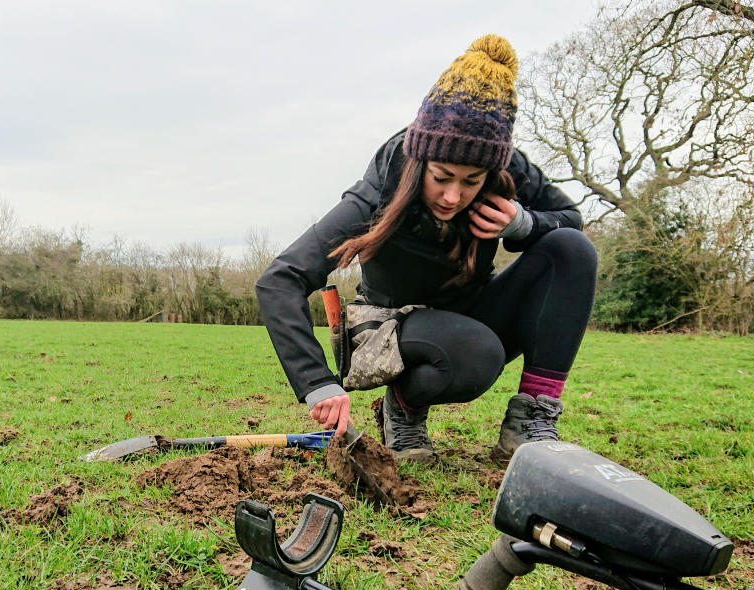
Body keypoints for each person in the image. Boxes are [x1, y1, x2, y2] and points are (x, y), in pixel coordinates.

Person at [255, 35, 597, 462]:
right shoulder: (381, 189)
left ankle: (531, 422)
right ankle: (403, 408)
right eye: (443, 176)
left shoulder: (507, 169)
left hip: (470, 309)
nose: (453, 196)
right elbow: (279, 280)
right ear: (422, 161)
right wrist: (317, 382)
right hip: (393, 326)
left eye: (471, 182)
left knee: (572, 249)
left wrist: (522, 223)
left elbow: (570, 220)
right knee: (478, 356)